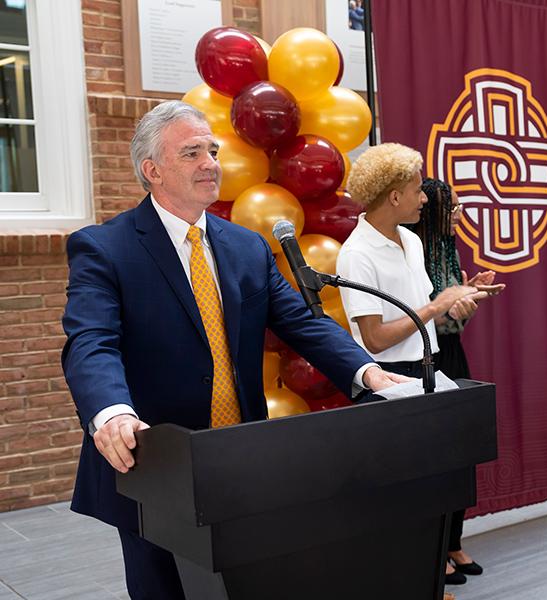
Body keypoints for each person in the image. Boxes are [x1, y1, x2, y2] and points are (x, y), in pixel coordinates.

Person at [61, 101, 405, 599]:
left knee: (245, 585)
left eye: (213, 150)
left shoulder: (246, 246)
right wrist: (110, 411)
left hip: (239, 457)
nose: (210, 162)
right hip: (153, 464)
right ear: (151, 171)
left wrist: (367, 373)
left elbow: (303, 323)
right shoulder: (104, 247)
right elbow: (91, 340)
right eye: (191, 152)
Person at [335, 144, 486, 595]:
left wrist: (459, 298)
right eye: (418, 189)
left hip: (427, 370)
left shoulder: (413, 240)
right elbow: (377, 338)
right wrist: (435, 303)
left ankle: (429, 576)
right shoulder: (355, 254)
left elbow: (428, 317)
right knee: (403, 496)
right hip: (387, 381)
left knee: (434, 486)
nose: (426, 199)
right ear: (394, 196)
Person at [413, 177, 504, 582]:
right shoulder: (412, 252)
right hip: (420, 360)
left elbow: (454, 322)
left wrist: (470, 294)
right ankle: (432, 550)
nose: (459, 215)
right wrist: (454, 302)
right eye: (451, 209)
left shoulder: (447, 248)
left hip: (451, 354)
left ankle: (454, 541)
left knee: (461, 454)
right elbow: (426, 317)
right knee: (432, 458)